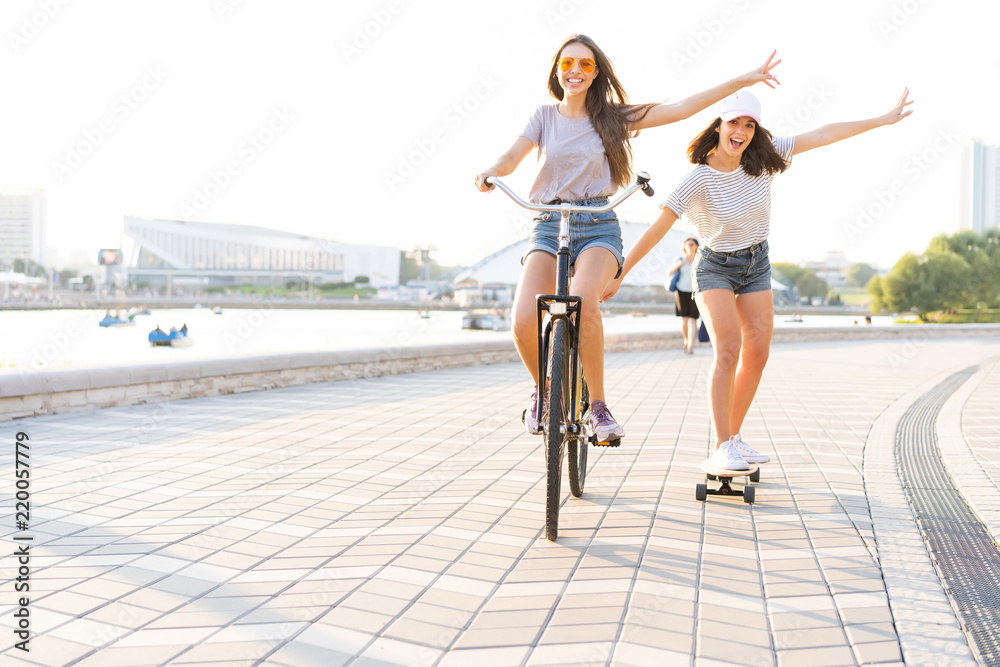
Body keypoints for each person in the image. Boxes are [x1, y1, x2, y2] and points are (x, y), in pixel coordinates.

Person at [474, 34, 781, 442]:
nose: (575, 72)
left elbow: (680, 109)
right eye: (567, 64)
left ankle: (598, 408)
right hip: (548, 223)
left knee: (583, 300)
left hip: (597, 223)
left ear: (596, 71)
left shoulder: (614, 118)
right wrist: (492, 169)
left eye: (585, 64)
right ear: (557, 70)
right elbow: (513, 155)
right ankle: (545, 392)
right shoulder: (543, 117)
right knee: (523, 319)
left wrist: (740, 82)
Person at [603, 87, 913, 468]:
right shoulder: (696, 179)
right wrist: (619, 273)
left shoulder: (764, 158)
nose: (742, 131)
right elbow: (655, 230)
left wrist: (882, 119)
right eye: (734, 122)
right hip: (714, 266)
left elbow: (824, 134)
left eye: (750, 125)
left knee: (758, 353)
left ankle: (732, 437)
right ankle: (720, 446)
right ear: (718, 125)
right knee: (728, 350)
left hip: (757, 265)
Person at [667, 237, 701, 354]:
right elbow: (669, 273)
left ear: (696, 246)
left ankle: (691, 346)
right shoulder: (681, 259)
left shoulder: (700, 259)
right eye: (687, 245)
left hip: (695, 293)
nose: (689, 246)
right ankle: (686, 341)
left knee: (693, 320)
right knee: (684, 320)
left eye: (691, 244)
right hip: (681, 292)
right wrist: (678, 265)